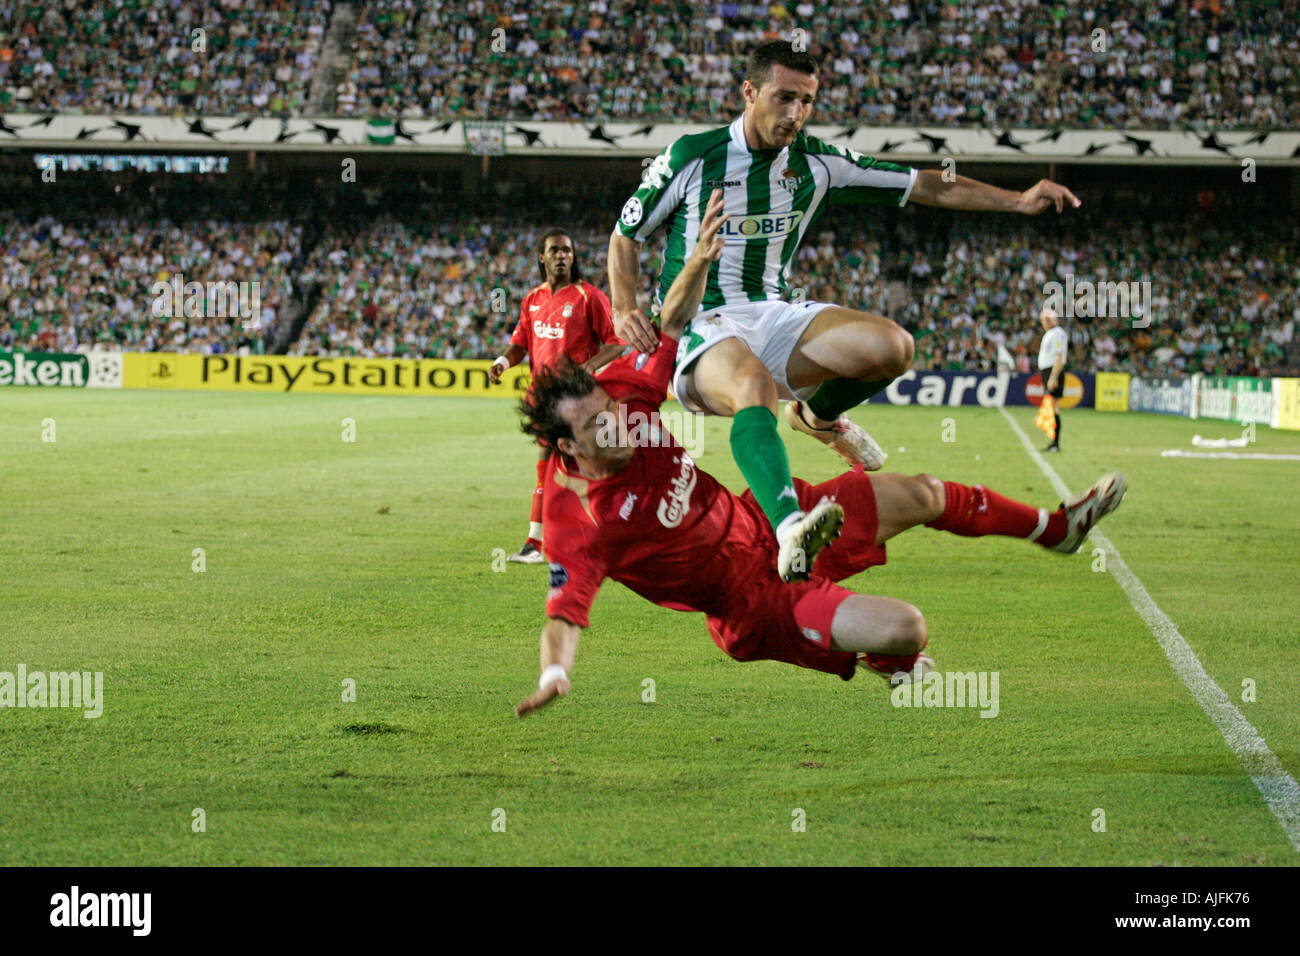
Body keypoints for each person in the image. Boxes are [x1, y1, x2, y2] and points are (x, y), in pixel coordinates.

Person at [516, 193, 1124, 717]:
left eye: (609, 407)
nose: (617, 422)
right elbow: (563, 616)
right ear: (567, 446)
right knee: (906, 628)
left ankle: (1056, 529)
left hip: (770, 520)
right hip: (752, 603)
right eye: (598, 425)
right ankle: (884, 659)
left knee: (926, 495)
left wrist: (699, 260)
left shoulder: (626, 399)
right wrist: (553, 675)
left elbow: (671, 323)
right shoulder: (583, 522)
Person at [607, 39, 1081, 582]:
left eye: (807, 101)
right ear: (748, 92)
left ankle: (817, 416)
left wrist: (1017, 199)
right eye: (784, 98)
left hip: (774, 313)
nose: (796, 114)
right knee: (753, 387)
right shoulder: (693, 155)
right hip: (698, 324)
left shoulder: (818, 162)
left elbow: (924, 184)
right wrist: (624, 308)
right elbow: (625, 237)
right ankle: (790, 528)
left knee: (893, 348)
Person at [489, 229, 625, 563]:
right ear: (542, 257)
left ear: (573, 257)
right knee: (557, 466)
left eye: (567, 250)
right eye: (555, 251)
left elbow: (615, 342)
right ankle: (550, 542)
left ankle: (543, 543)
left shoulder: (588, 297)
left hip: (577, 399)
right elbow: (521, 342)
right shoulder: (532, 299)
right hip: (543, 400)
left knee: (568, 465)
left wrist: (588, 367)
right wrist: (503, 362)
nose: (562, 256)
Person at [1038, 306, 1068, 452]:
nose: (1044, 322)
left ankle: (1055, 443)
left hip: (1052, 371)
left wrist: (1054, 376)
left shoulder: (1057, 334)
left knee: (1054, 406)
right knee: (1051, 407)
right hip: (1048, 371)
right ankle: (1053, 441)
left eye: (1046, 319)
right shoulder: (1051, 334)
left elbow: (1059, 356)